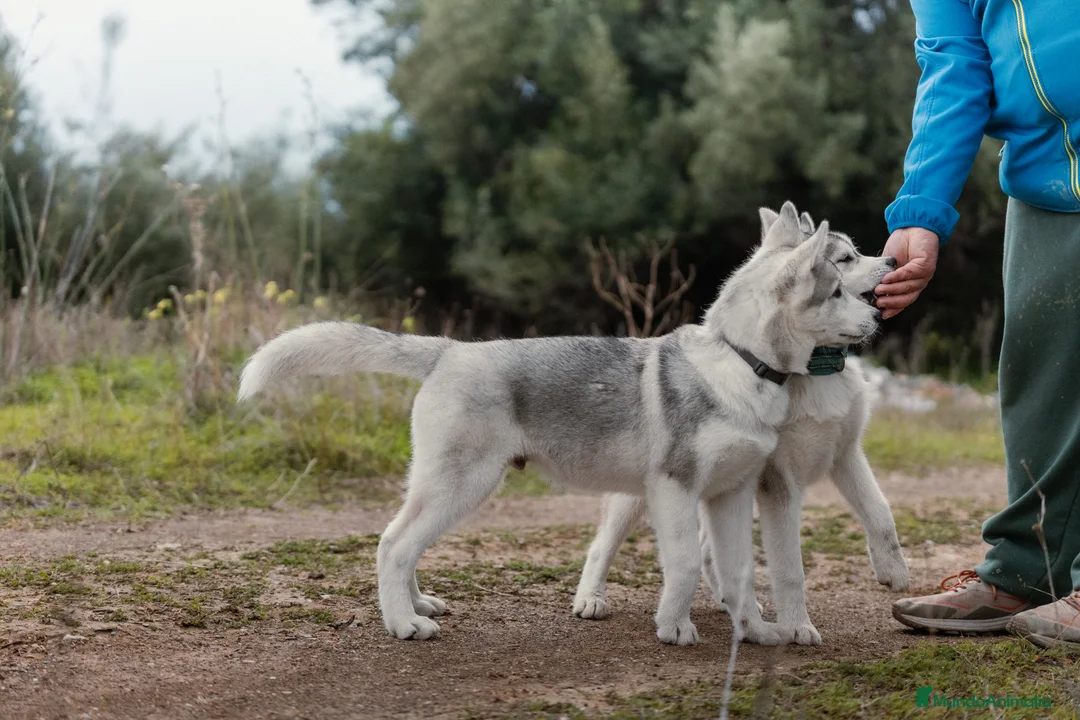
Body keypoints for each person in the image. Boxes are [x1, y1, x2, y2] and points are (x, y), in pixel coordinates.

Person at [875, 0, 1080, 651]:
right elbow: (955, 66)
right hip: (1045, 181)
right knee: (1038, 383)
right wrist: (921, 211)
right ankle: (1030, 569)